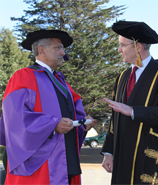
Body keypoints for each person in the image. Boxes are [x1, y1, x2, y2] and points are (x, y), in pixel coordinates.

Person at [0, 29, 96, 185]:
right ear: (41, 50)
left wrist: (82, 122)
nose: (63, 52)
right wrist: (52, 124)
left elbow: (74, 112)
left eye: (63, 48)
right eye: (58, 47)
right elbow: (14, 118)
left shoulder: (62, 81)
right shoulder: (23, 76)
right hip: (41, 163)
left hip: (67, 160)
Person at [101, 21, 158, 185]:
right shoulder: (123, 77)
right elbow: (114, 119)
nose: (118, 50)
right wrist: (108, 152)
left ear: (138, 47)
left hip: (147, 160)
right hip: (123, 158)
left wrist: (133, 111)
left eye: (122, 45)